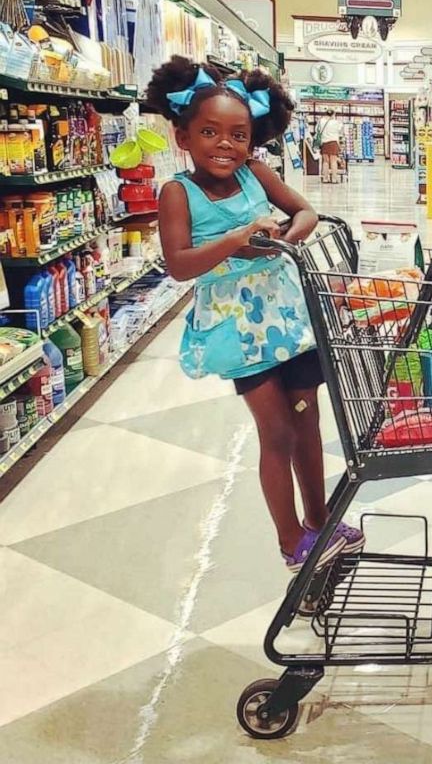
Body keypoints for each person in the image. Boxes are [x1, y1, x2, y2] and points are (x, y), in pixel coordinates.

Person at [148, 57, 364, 573]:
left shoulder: (255, 174)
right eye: (209, 132)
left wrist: (285, 238)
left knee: (308, 421)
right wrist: (235, 240)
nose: (226, 145)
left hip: (290, 317)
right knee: (277, 433)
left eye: (238, 135)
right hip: (239, 332)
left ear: (252, 140)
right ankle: (292, 541)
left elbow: (306, 211)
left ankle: (319, 519)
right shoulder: (177, 193)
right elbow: (178, 265)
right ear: (183, 137)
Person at [317, 109, 343, 184]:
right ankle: (334, 179)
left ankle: (325, 178)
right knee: (333, 161)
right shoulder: (336, 122)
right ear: (333, 115)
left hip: (324, 143)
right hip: (333, 142)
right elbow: (340, 130)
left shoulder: (321, 121)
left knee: (325, 161)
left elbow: (317, 130)